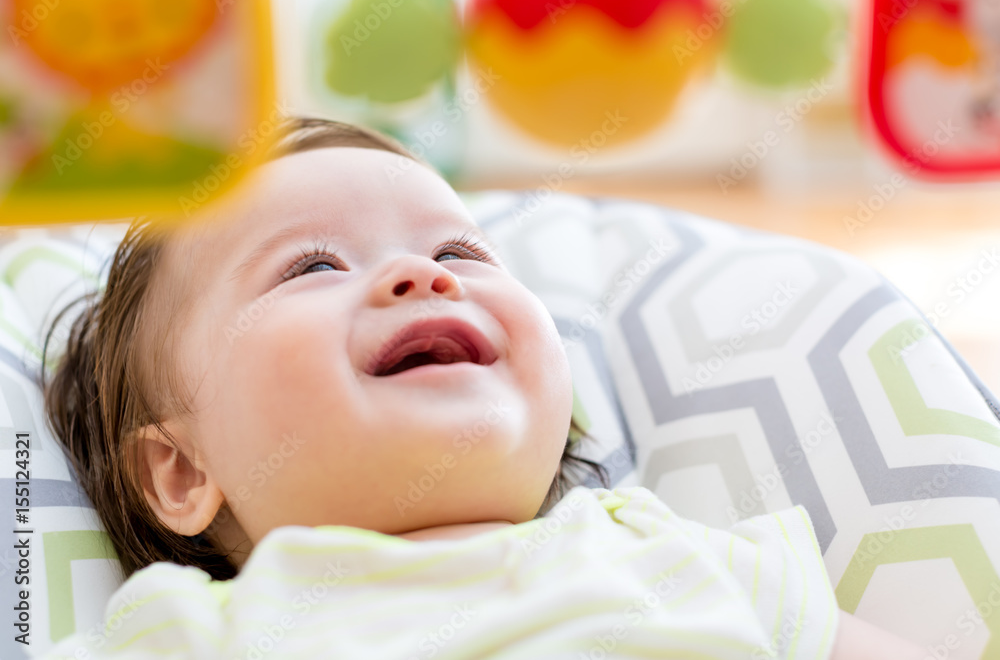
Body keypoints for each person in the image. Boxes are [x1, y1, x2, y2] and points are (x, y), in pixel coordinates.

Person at [40, 117, 924, 659]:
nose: (420, 277)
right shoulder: (186, 634)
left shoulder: (682, 558)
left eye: (456, 253)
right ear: (182, 472)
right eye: (311, 265)